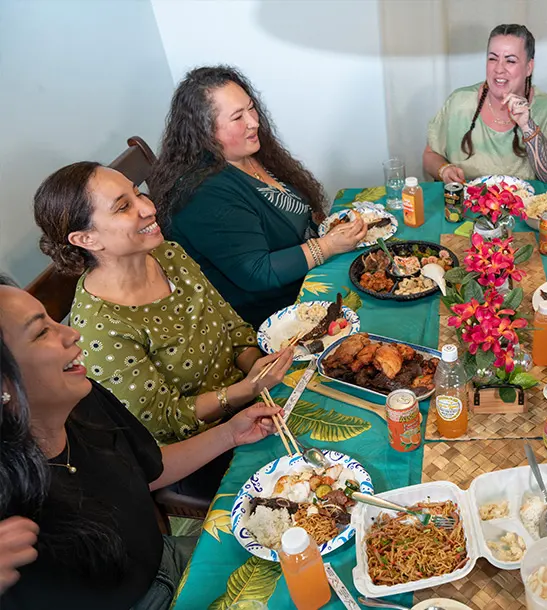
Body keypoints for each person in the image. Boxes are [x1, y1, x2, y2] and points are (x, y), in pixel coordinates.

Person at [0, 279, 282, 609]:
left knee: (308, 555)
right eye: (41, 332)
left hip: (166, 561)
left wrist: (230, 433)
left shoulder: (83, 398)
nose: (70, 333)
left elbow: (149, 469)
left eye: (51, 319)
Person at [33, 162, 293, 496]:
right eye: (123, 207)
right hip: (201, 448)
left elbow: (232, 327)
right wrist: (247, 389)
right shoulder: (100, 327)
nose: (148, 207)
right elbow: (167, 420)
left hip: (250, 398)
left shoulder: (167, 253)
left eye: (137, 192)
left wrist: (258, 371)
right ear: (86, 238)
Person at [150, 65, 366, 326]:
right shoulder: (203, 194)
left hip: (307, 278)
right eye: (237, 117)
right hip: (276, 312)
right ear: (205, 132)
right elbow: (257, 272)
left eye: (251, 108)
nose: (254, 122)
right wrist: (328, 245)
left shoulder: (246, 155)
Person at [423, 24, 547, 185]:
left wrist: (527, 126)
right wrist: (444, 169)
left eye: (510, 61)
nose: (499, 69)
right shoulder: (459, 102)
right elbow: (430, 155)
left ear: (528, 67)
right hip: (467, 206)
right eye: (493, 58)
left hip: (527, 207)